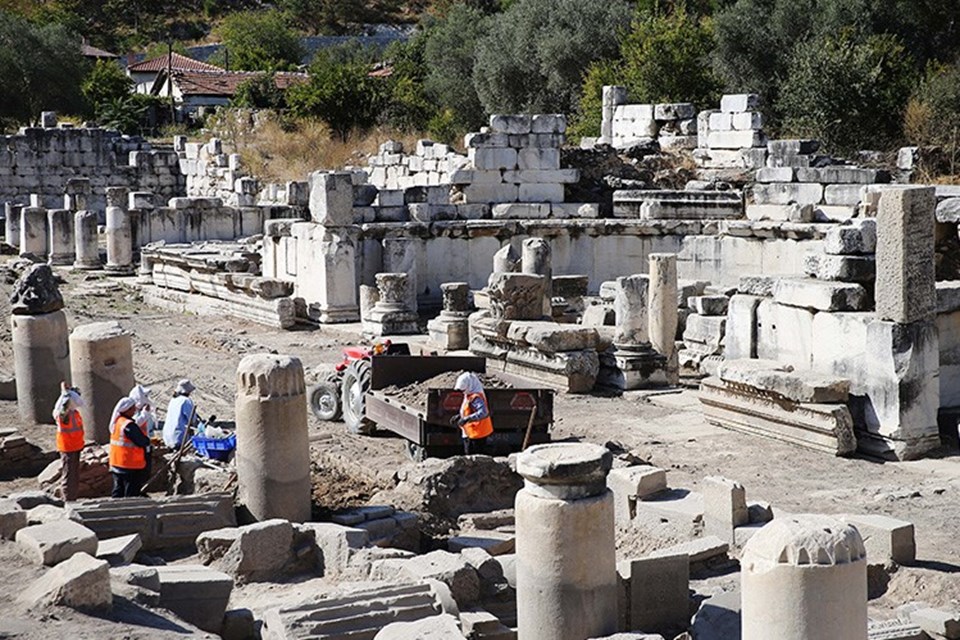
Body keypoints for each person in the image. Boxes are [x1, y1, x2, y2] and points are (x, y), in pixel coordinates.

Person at [108, 396, 151, 498]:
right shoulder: (128, 425)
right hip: (129, 464)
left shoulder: (118, 422)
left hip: (116, 462)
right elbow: (141, 441)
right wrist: (148, 441)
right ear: (127, 410)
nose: (135, 410)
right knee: (131, 493)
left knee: (118, 491)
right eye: (132, 408)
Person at [52, 382, 85, 501]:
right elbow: (62, 412)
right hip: (68, 448)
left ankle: (72, 498)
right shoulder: (63, 415)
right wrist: (66, 395)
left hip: (75, 447)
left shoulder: (74, 413)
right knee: (69, 476)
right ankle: (68, 500)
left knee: (73, 476)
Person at [450, 372, 494, 455]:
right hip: (472, 433)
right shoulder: (469, 395)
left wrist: (466, 419)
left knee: (473, 460)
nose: (463, 392)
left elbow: (483, 412)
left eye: (463, 390)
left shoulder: (476, 397)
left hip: (476, 435)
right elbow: (470, 410)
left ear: (469, 385)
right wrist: (460, 416)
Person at [162, 379, 197, 449]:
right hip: (179, 438)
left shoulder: (173, 400)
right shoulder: (186, 401)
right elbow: (192, 419)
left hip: (167, 437)